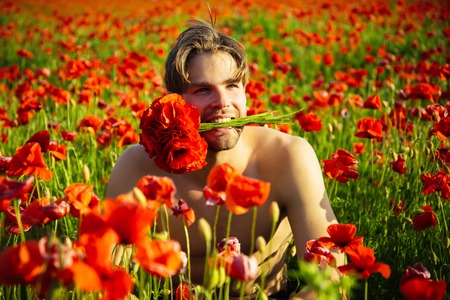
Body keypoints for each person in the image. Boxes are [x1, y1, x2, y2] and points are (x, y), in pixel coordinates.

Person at [106, 20, 341, 299]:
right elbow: (104, 271)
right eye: (203, 90)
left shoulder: (288, 157)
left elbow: (331, 277)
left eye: (232, 86)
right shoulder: (137, 167)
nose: (223, 102)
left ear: (246, 93)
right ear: (174, 103)